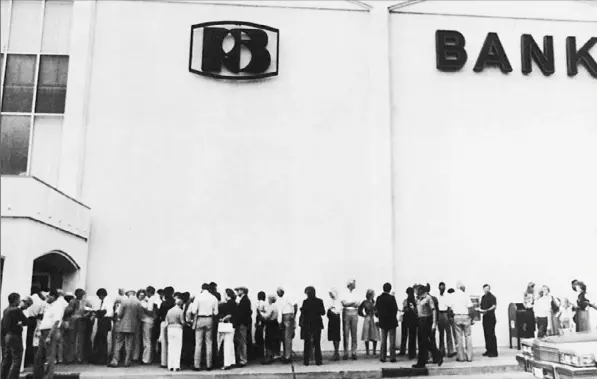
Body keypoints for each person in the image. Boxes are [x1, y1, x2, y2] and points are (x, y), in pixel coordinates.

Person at [33, 291, 64, 379]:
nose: (46, 298)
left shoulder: (57, 306)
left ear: (53, 297)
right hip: (43, 332)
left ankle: (48, 377)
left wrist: (49, 336)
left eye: (48, 296)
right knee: (39, 357)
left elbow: (56, 322)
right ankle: (38, 376)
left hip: (50, 332)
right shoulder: (49, 306)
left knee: (49, 358)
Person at [109, 290, 143, 368]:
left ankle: (115, 361)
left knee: (118, 343)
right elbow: (140, 315)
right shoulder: (138, 303)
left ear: (128, 294)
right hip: (132, 326)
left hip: (122, 326)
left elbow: (120, 314)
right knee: (129, 344)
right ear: (134, 294)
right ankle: (127, 362)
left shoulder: (124, 302)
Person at [1, 293, 32, 379]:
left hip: (7, 336)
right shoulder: (16, 310)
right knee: (17, 360)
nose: (20, 301)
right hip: (15, 337)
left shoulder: (6, 310)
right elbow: (26, 321)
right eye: (19, 299)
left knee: (6, 360)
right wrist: (20, 323)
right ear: (15, 300)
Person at [190, 283, 219, 371]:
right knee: (209, 343)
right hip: (209, 319)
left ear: (202, 288)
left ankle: (197, 365)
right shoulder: (213, 298)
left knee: (198, 343)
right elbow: (216, 312)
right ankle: (209, 365)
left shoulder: (198, 297)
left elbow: (194, 310)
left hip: (200, 319)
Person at [412, 284, 442, 369]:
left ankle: (437, 355)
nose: (415, 292)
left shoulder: (428, 298)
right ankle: (421, 362)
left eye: (416, 290)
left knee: (425, 341)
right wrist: (413, 309)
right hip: (420, 320)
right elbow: (418, 311)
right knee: (421, 342)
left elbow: (434, 310)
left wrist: (434, 323)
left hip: (427, 320)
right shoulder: (417, 299)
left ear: (420, 290)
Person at [300, 286, 325, 366]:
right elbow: (323, 312)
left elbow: (303, 312)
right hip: (317, 324)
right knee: (317, 343)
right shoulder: (319, 301)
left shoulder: (305, 302)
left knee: (307, 343)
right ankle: (318, 361)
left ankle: (306, 361)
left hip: (308, 324)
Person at [450, 282, 474, 362]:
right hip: (466, 316)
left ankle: (461, 357)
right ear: (462, 288)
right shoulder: (465, 295)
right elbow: (471, 307)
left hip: (456, 316)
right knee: (468, 336)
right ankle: (469, 357)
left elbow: (449, 308)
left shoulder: (453, 296)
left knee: (458, 337)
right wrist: (472, 318)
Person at [375, 283, 398, 363]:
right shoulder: (392, 298)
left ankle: (382, 357)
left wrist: (379, 317)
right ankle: (392, 357)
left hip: (383, 321)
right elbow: (395, 309)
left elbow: (376, 310)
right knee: (392, 340)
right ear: (390, 289)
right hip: (391, 321)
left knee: (383, 340)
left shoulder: (379, 298)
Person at [91, 288, 113, 365]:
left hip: (104, 321)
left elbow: (107, 312)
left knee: (101, 340)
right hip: (104, 321)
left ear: (102, 295)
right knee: (101, 340)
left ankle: (101, 359)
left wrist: (97, 312)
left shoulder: (107, 301)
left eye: (99, 296)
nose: (99, 298)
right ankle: (100, 358)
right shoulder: (105, 301)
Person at [276, 287, 297, 364]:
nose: (278, 293)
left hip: (288, 316)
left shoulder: (287, 298)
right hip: (283, 317)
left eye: (279, 292)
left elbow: (295, 305)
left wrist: (294, 315)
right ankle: (286, 355)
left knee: (287, 337)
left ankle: (288, 356)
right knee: (284, 338)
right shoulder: (280, 300)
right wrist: (279, 322)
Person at [218, 289, 237, 370]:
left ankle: (227, 364)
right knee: (230, 343)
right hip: (233, 325)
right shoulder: (234, 303)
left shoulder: (228, 304)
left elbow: (229, 315)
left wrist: (223, 319)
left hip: (227, 325)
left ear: (227, 294)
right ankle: (232, 361)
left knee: (227, 344)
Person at [340, 279, 359, 360]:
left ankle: (354, 352)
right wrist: (352, 303)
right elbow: (344, 304)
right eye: (354, 284)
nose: (355, 285)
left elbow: (358, 303)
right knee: (346, 333)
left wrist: (349, 303)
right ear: (350, 284)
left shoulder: (356, 293)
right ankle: (346, 352)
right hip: (347, 312)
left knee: (354, 333)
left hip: (354, 312)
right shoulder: (344, 292)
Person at [165, 293, 184, 372]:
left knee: (170, 347)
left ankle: (170, 366)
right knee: (178, 347)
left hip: (170, 329)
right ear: (180, 304)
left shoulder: (169, 311)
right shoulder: (180, 311)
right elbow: (182, 321)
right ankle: (176, 366)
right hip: (178, 329)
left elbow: (166, 321)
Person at [233, 286, 252, 368]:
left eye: (238, 290)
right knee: (242, 342)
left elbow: (242, 313)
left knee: (242, 342)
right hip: (244, 323)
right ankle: (242, 359)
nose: (237, 292)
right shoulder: (245, 300)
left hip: (242, 324)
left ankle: (243, 360)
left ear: (243, 291)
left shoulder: (244, 301)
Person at [157, 287, 175, 368]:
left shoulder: (163, 304)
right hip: (173, 324)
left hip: (164, 323)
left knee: (164, 344)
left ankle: (164, 362)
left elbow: (159, 315)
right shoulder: (174, 303)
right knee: (173, 344)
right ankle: (172, 362)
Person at [358, 289, 380, 357]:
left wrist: (377, 315)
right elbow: (359, 310)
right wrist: (363, 315)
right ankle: (367, 352)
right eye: (372, 294)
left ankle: (374, 352)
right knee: (366, 335)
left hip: (374, 319)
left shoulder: (375, 302)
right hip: (368, 318)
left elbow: (378, 310)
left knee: (375, 335)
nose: (373, 295)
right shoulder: (365, 302)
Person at [259, 295, 280, 365]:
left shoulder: (272, 307)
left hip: (270, 324)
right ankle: (272, 355)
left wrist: (260, 312)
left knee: (268, 341)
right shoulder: (275, 306)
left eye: (269, 299)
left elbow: (267, 316)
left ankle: (269, 357)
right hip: (274, 324)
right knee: (272, 341)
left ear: (271, 300)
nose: (268, 300)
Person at [478, 284, 498, 358]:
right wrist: (480, 310)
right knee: (486, 334)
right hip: (485, 318)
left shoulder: (492, 297)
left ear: (489, 289)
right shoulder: (483, 297)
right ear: (483, 289)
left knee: (491, 334)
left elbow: (494, 306)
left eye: (487, 289)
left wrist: (487, 310)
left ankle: (494, 352)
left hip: (491, 317)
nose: (486, 290)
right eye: (485, 289)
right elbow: (481, 306)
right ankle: (488, 350)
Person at [437, 282, 455, 358]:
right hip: (439, 314)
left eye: (443, 287)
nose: (442, 289)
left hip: (445, 313)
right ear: (439, 288)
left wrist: (449, 316)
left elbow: (449, 306)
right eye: (440, 287)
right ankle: (441, 351)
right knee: (441, 334)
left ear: (445, 288)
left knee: (448, 333)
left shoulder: (447, 296)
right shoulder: (437, 296)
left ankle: (450, 351)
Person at [399, 287, 417, 359]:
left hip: (406, 319)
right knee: (412, 337)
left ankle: (403, 351)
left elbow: (404, 309)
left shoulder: (406, 301)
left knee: (404, 336)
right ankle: (412, 353)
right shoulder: (415, 300)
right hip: (413, 320)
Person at [138, 289, 156, 364]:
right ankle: (149, 358)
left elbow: (150, 312)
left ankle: (145, 359)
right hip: (150, 321)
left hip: (146, 322)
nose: (142, 296)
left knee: (146, 341)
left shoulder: (143, 303)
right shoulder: (149, 301)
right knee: (149, 341)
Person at [326, 289, 342, 361]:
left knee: (336, 336)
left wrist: (331, 309)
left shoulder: (338, 302)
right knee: (333, 337)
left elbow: (337, 311)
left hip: (335, 319)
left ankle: (336, 352)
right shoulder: (330, 301)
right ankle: (335, 352)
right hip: (331, 320)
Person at [254, 291, 267, 359]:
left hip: (260, 320)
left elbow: (258, 313)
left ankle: (259, 353)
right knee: (261, 337)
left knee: (258, 337)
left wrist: (257, 322)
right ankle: (262, 352)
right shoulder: (265, 303)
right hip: (262, 321)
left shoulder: (258, 303)